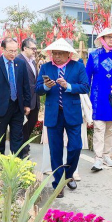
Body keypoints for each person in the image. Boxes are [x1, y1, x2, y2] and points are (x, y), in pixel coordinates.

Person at [36, 38, 89, 191]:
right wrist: (45, 87)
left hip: (72, 113)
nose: (57, 56)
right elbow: (38, 89)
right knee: (56, 150)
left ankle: (69, 175)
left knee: (75, 147)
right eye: (54, 53)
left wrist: (69, 86)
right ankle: (58, 184)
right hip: (53, 114)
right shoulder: (46, 67)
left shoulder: (78, 67)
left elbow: (85, 87)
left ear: (68, 54)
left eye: (60, 54)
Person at [86, 27, 112, 172]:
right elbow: (87, 78)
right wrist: (86, 97)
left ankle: (106, 155)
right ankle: (97, 158)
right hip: (98, 97)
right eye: (108, 37)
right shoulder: (94, 56)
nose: (111, 39)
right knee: (99, 128)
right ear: (102, 39)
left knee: (111, 128)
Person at [0, 39, 32, 154]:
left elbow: (26, 86)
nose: (13, 54)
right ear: (2, 49)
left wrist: (27, 104)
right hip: (0, 107)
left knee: (17, 138)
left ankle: (16, 163)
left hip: (17, 106)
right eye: (10, 51)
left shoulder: (20, 63)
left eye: (15, 51)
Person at [19, 38, 40, 157]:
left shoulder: (32, 61)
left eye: (35, 49)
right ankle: (23, 149)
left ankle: (25, 145)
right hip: (24, 99)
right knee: (23, 126)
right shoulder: (18, 60)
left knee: (32, 122)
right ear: (25, 48)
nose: (34, 51)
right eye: (32, 48)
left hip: (35, 99)